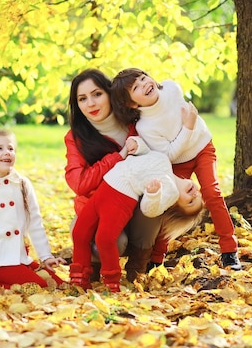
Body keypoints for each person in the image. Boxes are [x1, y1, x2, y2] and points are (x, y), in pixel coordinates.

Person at [111, 67, 242, 270]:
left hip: (202, 147)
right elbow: (170, 153)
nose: (145, 84)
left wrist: (190, 130)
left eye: (144, 77)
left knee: (212, 193)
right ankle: (156, 258)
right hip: (177, 162)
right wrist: (188, 126)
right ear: (131, 103)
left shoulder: (172, 89)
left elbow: (183, 130)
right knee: (169, 204)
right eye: (136, 87)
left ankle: (229, 251)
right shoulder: (146, 127)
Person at [65, 68, 171, 282]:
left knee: (155, 192)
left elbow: (162, 168)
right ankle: (95, 266)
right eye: (83, 99)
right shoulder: (76, 138)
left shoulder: (138, 125)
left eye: (97, 94)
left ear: (110, 93)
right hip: (97, 211)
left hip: (136, 209)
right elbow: (80, 183)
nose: (91, 104)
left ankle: (138, 267)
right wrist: (118, 157)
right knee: (110, 242)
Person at [70, 150, 205, 292]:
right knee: (79, 232)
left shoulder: (169, 193)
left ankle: (111, 281)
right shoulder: (166, 162)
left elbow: (149, 210)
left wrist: (153, 195)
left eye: (191, 202)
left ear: (175, 205)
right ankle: (78, 276)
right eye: (199, 195)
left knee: (104, 238)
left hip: (121, 196)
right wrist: (138, 144)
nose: (195, 194)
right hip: (106, 186)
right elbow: (147, 151)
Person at [0, 129, 66, 289]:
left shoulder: (22, 184)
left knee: (58, 284)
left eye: (11, 148)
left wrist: (46, 257)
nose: (7, 152)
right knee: (38, 286)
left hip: (19, 257)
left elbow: (34, 222)